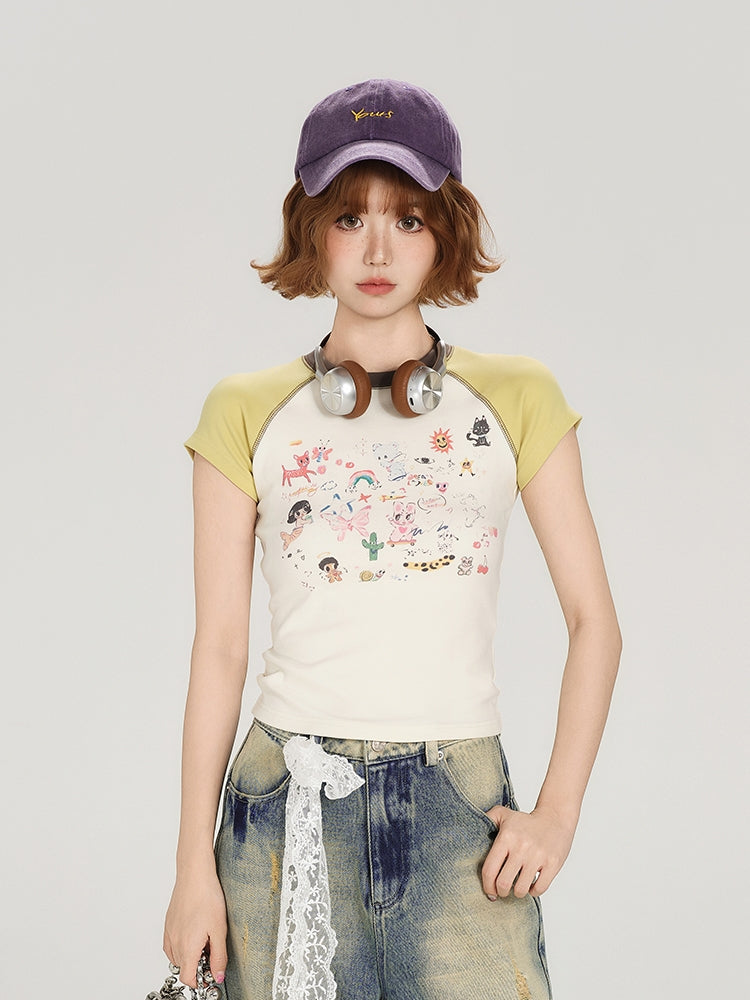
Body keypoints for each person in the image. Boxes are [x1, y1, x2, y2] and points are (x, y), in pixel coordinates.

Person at [163, 79, 621, 1000]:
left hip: (459, 806)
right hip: (282, 805)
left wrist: (558, 815)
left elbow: (594, 624)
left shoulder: (518, 398)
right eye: (350, 218)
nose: (378, 250)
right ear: (311, 230)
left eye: (408, 219)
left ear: (445, 230)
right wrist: (190, 868)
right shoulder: (244, 411)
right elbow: (219, 650)